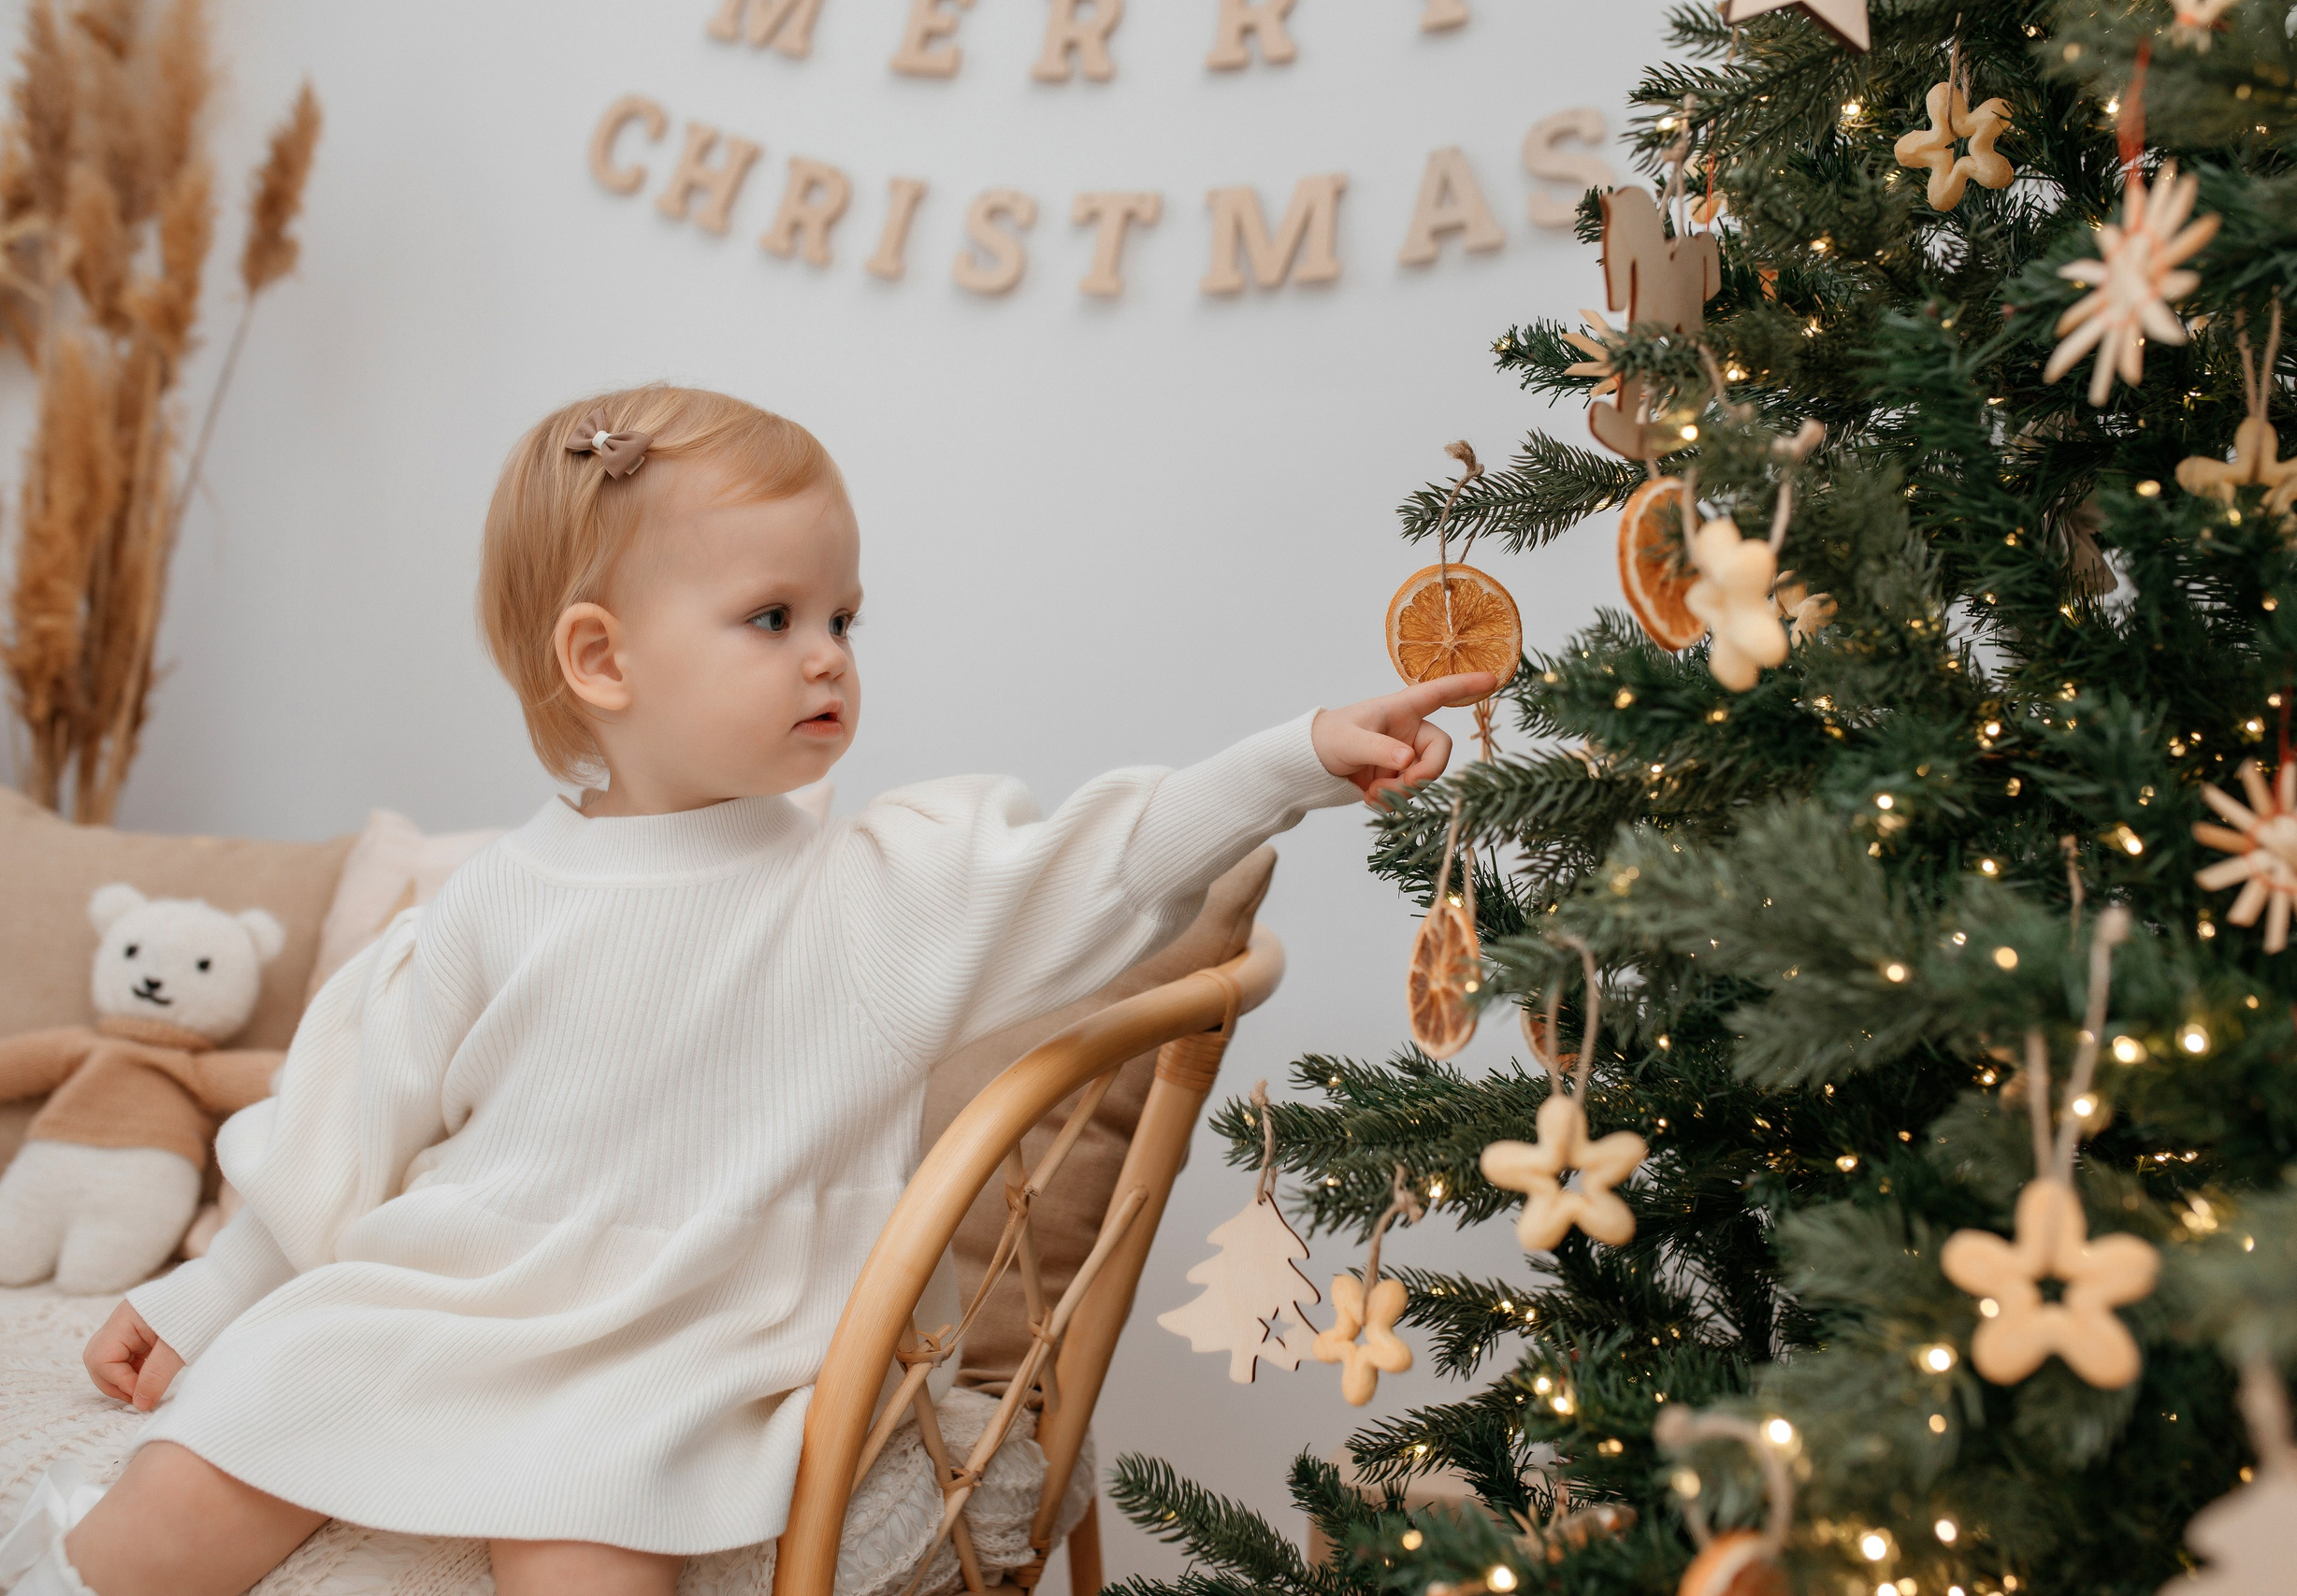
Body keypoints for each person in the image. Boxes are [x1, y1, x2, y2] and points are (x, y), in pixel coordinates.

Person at [22, 386, 1494, 1596]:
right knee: (182, 1502)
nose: (830, 660)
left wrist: (1295, 755)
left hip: (674, 1351)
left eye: (846, 618)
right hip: (447, 1295)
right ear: (600, 659)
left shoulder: (874, 887)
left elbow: (1104, 859)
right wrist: (212, 1294)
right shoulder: (495, 899)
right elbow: (350, 1127)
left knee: (589, 1560)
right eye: (773, 619)